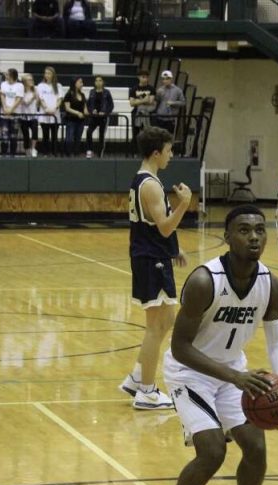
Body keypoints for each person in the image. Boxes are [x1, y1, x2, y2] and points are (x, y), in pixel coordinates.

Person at [148, 204, 278, 485]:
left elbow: (276, 343)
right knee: (213, 450)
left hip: (234, 374)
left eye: (260, 230)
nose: (254, 237)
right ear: (227, 237)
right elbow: (180, 348)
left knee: (256, 449)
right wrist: (236, 377)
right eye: (244, 230)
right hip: (190, 373)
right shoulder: (203, 281)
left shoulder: (271, 284)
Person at [120, 127, 190, 410]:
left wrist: (174, 248)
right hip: (151, 259)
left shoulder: (145, 180)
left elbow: (157, 227)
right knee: (155, 326)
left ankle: (138, 376)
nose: (171, 155)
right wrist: (184, 205)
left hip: (153, 255)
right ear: (156, 152)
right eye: (169, 150)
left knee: (167, 321)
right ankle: (147, 392)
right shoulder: (149, 184)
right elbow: (163, 227)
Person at [85, 75, 113, 159]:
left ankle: (100, 153)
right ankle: (90, 150)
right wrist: (91, 111)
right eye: (96, 80)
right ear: (94, 82)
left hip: (103, 118)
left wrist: (105, 113)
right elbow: (88, 104)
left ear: (103, 82)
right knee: (89, 132)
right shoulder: (92, 92)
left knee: (101, 135)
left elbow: (111, 105)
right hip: (94, 117)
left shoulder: (107, 92)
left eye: (100, 80)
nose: (98, 82)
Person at [36, 67, 61, 156]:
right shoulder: (40, 86)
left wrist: (54, 109)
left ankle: (54, 153)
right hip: (44, 115)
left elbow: (59, 99)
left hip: (55, 115)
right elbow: (41, 99)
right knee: (45, 135)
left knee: (54, 136)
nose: (47, 75)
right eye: (45, 73)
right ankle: (45, 153)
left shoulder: (58, 86)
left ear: (53, 75)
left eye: (49, 73)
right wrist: (46, 109)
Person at [129, 70, 156, 146]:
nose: (145, 79)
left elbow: (150, 101)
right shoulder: (134, 89)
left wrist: (138, 100)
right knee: (135, 132)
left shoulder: (151, 88)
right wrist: (144, 100)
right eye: (143, 77)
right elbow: (132, 103)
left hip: (147, 112)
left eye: (147, 77)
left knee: (148, 132)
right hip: (136, 112)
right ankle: (134, 151)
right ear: (139, 77)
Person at [0, 68, 23, 156]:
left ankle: (12, 155)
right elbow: (2, 96)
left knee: (13, 136)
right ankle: (3, 155)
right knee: (4, 136)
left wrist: (11, 110)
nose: (6, 76)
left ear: (12, 76)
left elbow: (18, 99)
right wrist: (5, 108)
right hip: (4, 114)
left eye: (7, 74)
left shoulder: (19, 85)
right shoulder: (3, 84)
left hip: (15, 114)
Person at [153, 70, 184, 134]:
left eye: (167, 79)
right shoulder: (160, 90)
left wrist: (173, 103)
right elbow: (156, 102)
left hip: (170, 118)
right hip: (160, 117)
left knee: (168, 137)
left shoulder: (177, 90)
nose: (165, 81)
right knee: (158, 136)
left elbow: (183, 102)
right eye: (163, 79)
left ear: (171, 79)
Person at [62, 77, 86, 157]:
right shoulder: (69, 94)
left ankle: (76, 153)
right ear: (75, 83)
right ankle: (68, 153)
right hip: (71, 119)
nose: (82, 84)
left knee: (78, 138)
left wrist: (87, 112)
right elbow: (67, 108)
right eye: (80, 82)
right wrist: (77, 113)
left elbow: (85, 107)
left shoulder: (82, 95)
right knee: (69, 138)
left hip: (80, 120)